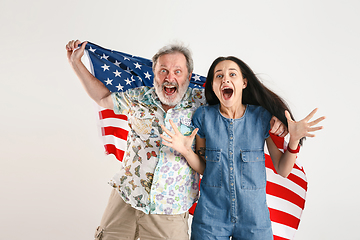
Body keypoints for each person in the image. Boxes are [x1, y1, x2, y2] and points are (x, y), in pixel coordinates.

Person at [66, 40, 287, 240]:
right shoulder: (138, 96)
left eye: (177, 71)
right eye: (163, 70)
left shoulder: (202, 104)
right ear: (154, 73)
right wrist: (77, 63)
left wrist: (276, 118)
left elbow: (238, 102)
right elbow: (103, 98)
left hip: (170, 210)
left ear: (188, 77)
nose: (170, 77)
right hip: (126, 199)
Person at [160, 56, 325, 240]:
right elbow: (205, 168)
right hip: (210, 219)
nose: (225, 79)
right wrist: (186, 151)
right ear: (213, 86)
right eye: (219, 76)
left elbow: (283, 169)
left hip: (255, 221)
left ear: (244, 82)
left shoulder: (262, 118)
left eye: (232, 74)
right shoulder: (203, 117)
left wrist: (294, 141)